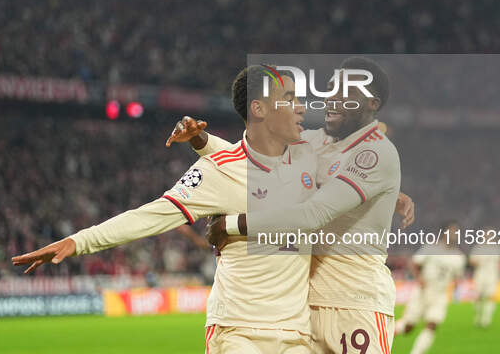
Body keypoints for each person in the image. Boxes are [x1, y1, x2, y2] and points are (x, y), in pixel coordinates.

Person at [13, 66, 320, 353]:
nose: (301, 107)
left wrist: (203, 140)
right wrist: (79, 241)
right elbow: (151, 215)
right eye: (289, 100)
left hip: (297, 334)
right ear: (259, 109)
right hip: (239, 331)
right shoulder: (217, 171)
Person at [168, 57, 415, 354]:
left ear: (371, 104)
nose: (333, 97)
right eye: (332, 88)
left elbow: (314, 213)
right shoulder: (311, 142)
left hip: (353, 302)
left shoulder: (377, 153)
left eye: (346, 92)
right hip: (305, 306)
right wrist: (201, 141)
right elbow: (251, 154)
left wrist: (230, 225)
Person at [395, 222, 466, 354]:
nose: (454, 234)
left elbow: (457, 277)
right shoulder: (431, 249)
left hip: (440, 295)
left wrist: (456, 288)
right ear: (444, 233)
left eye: (456, 232)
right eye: (451, 231)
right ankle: (382, 339)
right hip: (423, 291)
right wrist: (419, 278)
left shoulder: (459, 257)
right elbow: (415, 263)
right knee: (408, 326)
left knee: (432, 324)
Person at [469, 230, 500, 328]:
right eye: (486, 235)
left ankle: (486, 320)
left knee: (491, 297)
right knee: (478, 297)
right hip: (480, 274)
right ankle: (477, 317)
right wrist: (478, 263)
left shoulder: (498, 248)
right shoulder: (478, 248)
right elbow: (471, 261)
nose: (488, 237)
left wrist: (498, 268)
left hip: (493, 275)